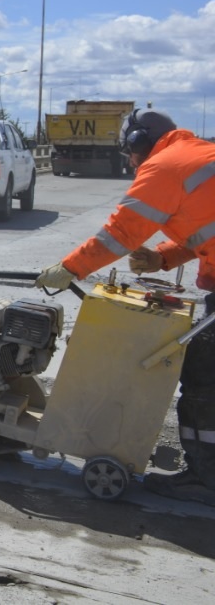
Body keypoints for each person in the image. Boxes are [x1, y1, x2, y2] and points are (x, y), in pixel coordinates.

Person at [36, 108, 215, 506]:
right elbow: (203, 225)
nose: (131, 161)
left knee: (205, 383)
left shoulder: (163, 167)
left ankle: (207, 479)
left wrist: (68, 269)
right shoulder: (195, 155)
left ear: (139, 142)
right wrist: (162, 259)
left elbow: (119, 234)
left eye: (130, 152)